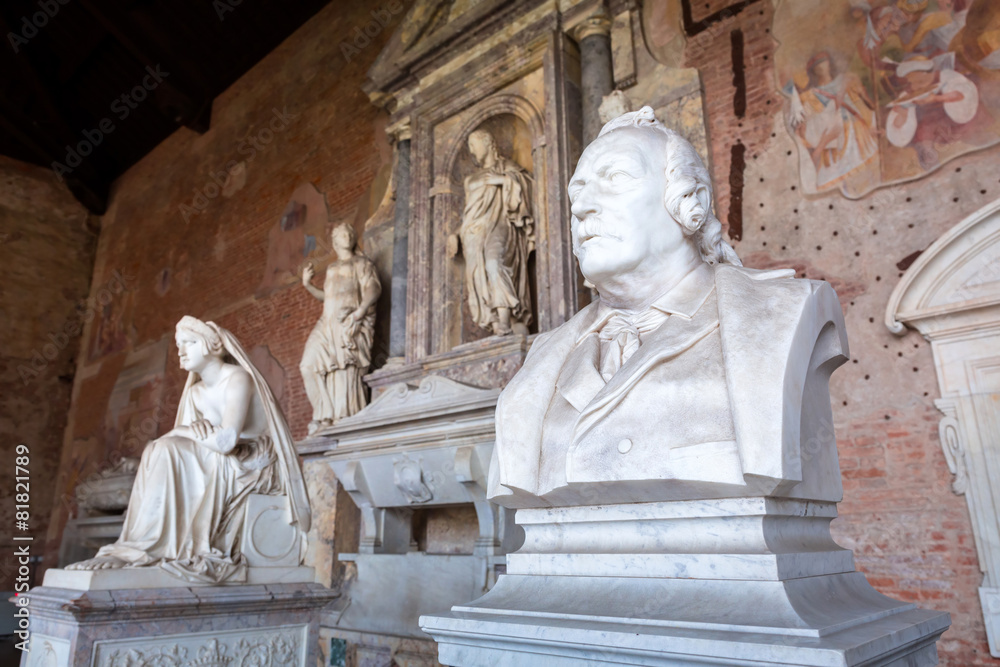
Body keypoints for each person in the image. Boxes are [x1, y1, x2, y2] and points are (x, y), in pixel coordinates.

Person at [487, 107, 847, 507]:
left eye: (616, 178)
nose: (581, 207)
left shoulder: (782, 313)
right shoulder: (544, 356)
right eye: (576, 191)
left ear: (690, 201)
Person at [67, 316, 311, 583]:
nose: (181, 351)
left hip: (251, 460)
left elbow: (226, 441)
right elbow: (195, 439)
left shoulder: (238, 378)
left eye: (189, 343)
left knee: (167, 449)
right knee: (157, 448)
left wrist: (180, 432)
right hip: (222, 455)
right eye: (178, 344)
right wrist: (182, 433)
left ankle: (145, 549)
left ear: (210, 346)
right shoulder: (195, 393)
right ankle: (139, 547)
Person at [300, 223, 381, 434]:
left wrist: (361, 311)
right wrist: (308, 285)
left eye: (349, 233)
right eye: (341, 234)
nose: (347, 236)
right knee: (307, 366)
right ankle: (323, 413)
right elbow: (327, 298)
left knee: (343, 369)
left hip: (348, 322)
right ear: (334, 241)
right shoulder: (331, 268)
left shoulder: (362, 263)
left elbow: (373, 288)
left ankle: (339, 420)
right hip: (326, 324)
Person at [456, 129, 534, 336]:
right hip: (472, 232)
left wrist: (503, 181)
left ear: (488, 143)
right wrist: (455, 234)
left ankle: (506, 321)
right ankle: (494, 321)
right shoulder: (469, 180)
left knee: (494, 263)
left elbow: (528, 187)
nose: (472, 151)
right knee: (477, 274)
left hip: (499, 224)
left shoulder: (507, 168)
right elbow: (468, 211)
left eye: (474, 145)